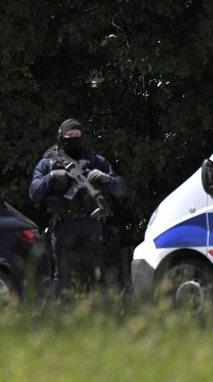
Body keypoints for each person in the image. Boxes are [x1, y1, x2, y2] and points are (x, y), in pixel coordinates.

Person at [29, 119, 126, 302]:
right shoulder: (48, 163)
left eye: (77, 134)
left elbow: (120, 189)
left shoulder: (96, 161)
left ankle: (102, 316)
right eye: (69, 135)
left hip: (91, 224)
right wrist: (51, 177)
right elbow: (34, 193)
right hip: (63, 225)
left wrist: (107, 179)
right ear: (61, 137)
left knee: (97, 275)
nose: (73, 138)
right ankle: (59, 317)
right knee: (62, 277)